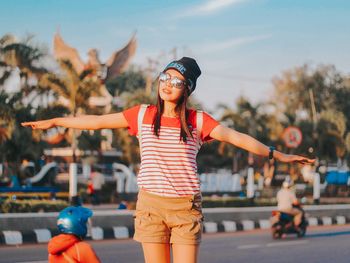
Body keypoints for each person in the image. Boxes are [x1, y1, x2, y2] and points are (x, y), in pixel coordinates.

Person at [23, 56, 314, 263]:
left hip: (184, 208)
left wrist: (279, 154)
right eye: (164, 78)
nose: (167, 84)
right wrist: (56, 120)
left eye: (176, 81)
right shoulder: (142, 115)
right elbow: (96, 121)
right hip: (150, 205)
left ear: (186, 89)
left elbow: (238, 137)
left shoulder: (198, 121)